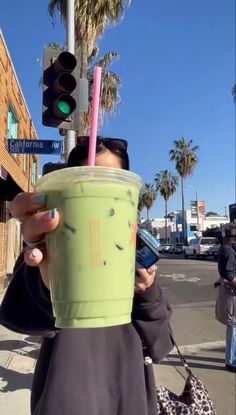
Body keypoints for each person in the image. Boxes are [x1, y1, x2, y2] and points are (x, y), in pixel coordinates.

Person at [0, 136, 173, 415]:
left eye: (109, 183)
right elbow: (21, 317)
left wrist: (147, 291)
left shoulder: (132, 261)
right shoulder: (49, 256)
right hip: (66, 400)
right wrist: (47, 279)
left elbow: (160, 346)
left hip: (129, 400)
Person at [215, 222, 236, 373]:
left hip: (229, 291)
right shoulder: (228, 250)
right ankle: (231, 362)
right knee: (234, 326)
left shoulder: (228, 248)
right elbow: (229, 274)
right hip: (231, 292)